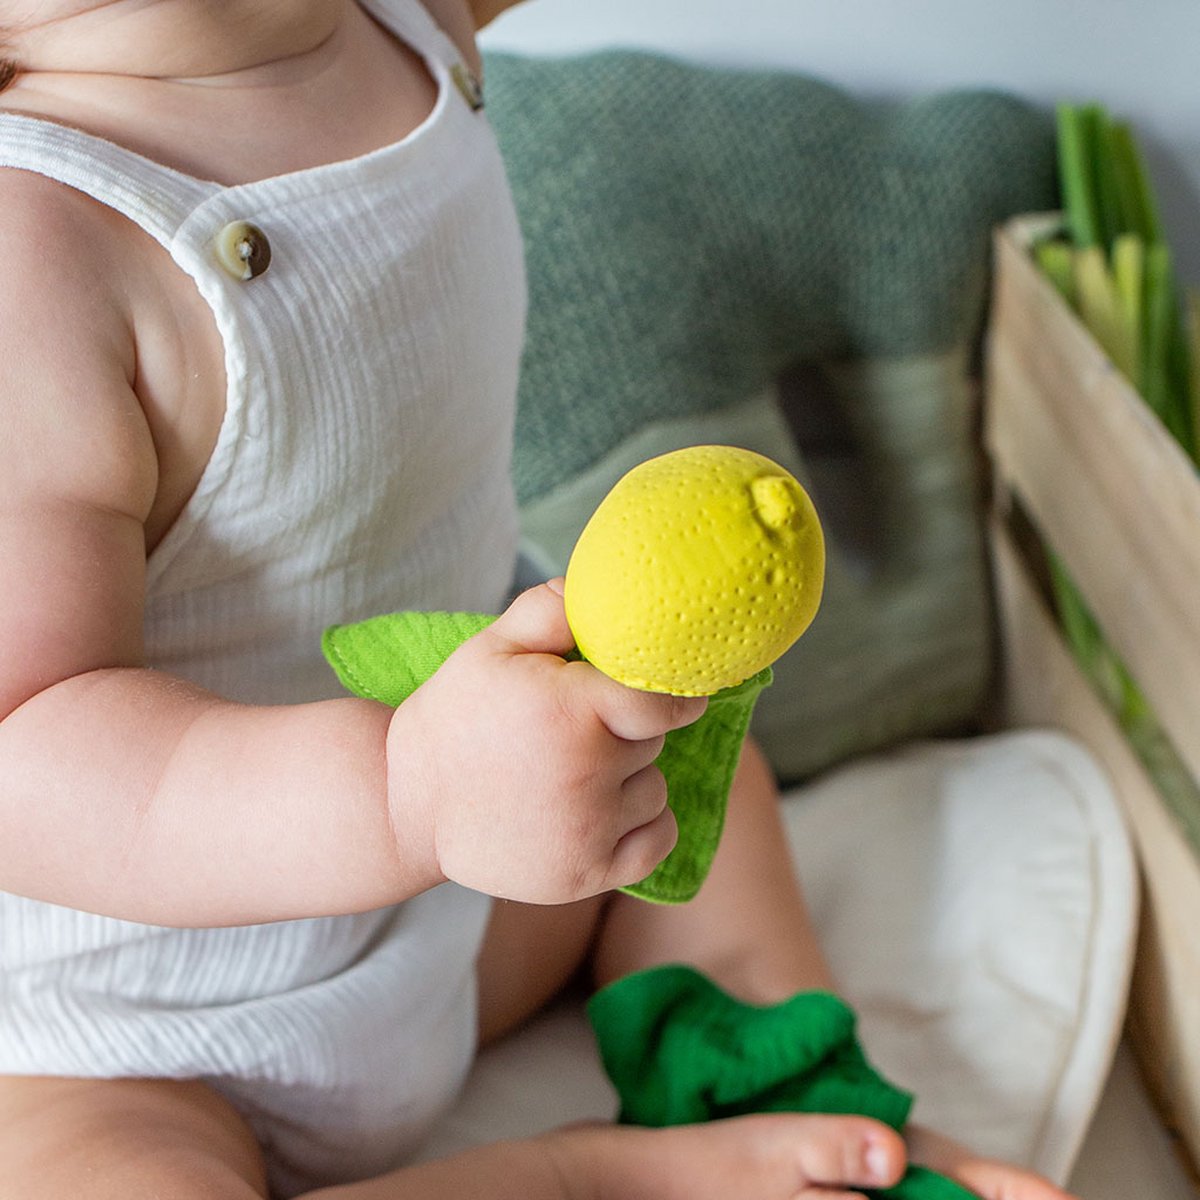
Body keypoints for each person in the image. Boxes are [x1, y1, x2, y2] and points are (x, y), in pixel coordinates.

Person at [0, 3, 1079, 1197]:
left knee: (684, 802)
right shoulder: (33, 251)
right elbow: (24, 743)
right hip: (123, 1040)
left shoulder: (408, 22)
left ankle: (793, 1109)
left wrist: (470, 805)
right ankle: (596, 1179)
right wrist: (408, 795)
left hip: (460, 911)